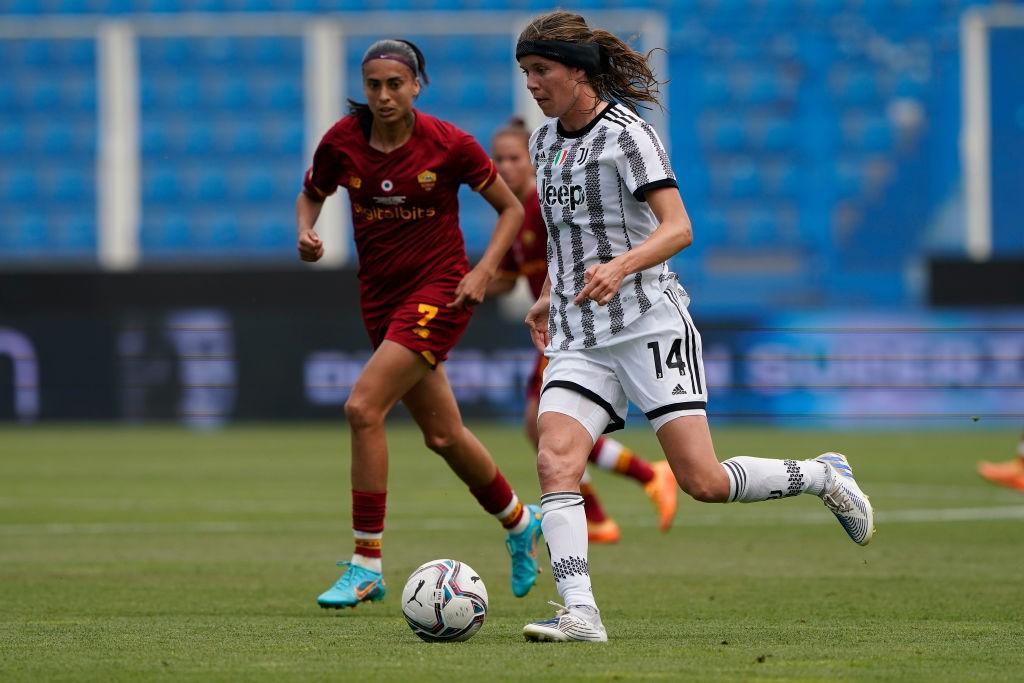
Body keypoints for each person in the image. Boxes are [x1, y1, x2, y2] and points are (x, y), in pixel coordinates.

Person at [513, 11, 875, 643]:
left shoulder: (629, 136)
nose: (533, 85)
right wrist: (549, 293)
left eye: (542, 70)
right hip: (579, 334)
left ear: (578, 71)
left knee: (703, 482)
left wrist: (621, 267)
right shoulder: (545, 143)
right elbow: (565, 236)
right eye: (526, 73)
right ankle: (580, 613)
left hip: (649, 323)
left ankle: (822, 475)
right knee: (555, 461)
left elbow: (679, 227)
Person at [296, 38, 543, 609]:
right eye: (373, 85)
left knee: (362, 407)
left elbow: (510, 208)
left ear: (416, 87)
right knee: (443, 435)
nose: (383, 96)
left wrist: (484, 271)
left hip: (438, 291)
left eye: (394, 85)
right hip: (378, 298)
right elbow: (311, 194)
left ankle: (366, 563)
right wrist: (306, 232)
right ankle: (518, 520)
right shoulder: (342, 141)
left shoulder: (449, 144)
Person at [486, 117, 678, 544]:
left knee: (546, 426)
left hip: (578, 323)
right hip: (556, 323)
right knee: (545, 428)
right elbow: (510, 276)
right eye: (497, 159)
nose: (505, 167)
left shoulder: (539, 207)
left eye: (514, 158)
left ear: (534, 162)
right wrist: (467, 282)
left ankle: (608, 505)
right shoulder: (516, 215)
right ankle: (618, 499)